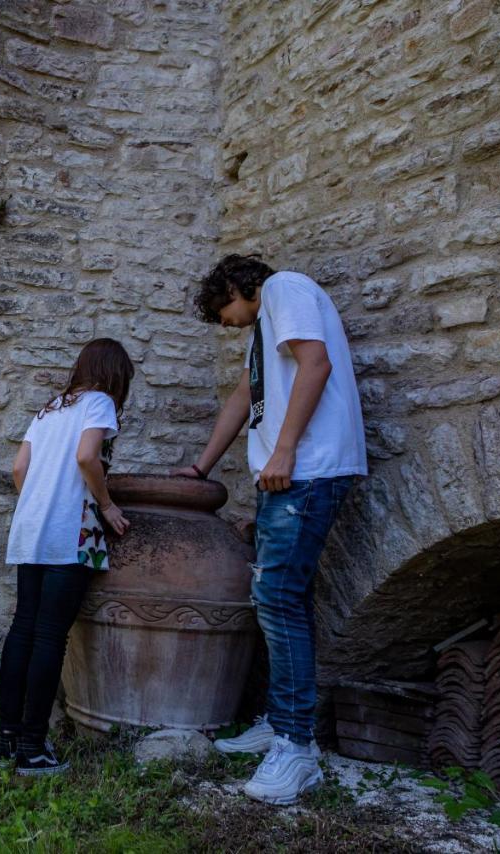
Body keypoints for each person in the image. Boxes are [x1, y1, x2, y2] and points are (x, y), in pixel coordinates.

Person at [172, 254, 366, 804]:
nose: (224, 322)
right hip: (289, 475)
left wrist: (284, 452)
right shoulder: (266, 325)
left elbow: (317, 365)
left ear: (239, 284)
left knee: (276, 596)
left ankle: (296, 748)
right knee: (285, 599)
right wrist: (202, 467)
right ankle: (282, 723)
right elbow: (244, 397)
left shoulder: (286, 288)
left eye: (223, 308)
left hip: (305, 471)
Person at [0, 337, 135, 776]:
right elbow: (86, 456)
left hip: (30, 528)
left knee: (24, 628)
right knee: (51, 636)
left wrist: (40, 502)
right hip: (69, 533)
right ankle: (34, 749)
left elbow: (19, 470)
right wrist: (108, 505)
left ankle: (8, 736)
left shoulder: (49, 409)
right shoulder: (99, 403)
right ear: (115, 374)